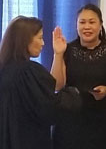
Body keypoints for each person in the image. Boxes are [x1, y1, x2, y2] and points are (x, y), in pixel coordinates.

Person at [0, 16, 81, 149]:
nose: (43, 43)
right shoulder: (28, 71)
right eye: (40, 38)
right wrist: (73, 95)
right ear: (25, 40)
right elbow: (48, 108)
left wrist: (58, 54)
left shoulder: (4, 70)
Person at [51, 4, 106, 149]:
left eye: (92, 22)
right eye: (82, 22)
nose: (87, 27)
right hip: (68, 121)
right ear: (76, 25)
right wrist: (58, 54)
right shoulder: (67, 50)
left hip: (102, 122)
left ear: (100, 25)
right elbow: (56, 85)